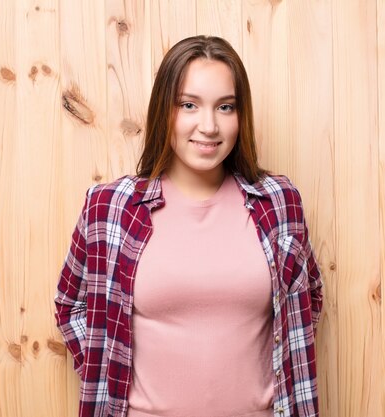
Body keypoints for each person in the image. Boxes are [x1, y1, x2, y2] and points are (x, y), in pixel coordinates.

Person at [54, 35, 323, 417]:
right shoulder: (110, 208)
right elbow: (71, 305)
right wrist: (108, 369)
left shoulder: (279, 203)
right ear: (165, 111)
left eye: (225, 106)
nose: (209, 125)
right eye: (189, 105)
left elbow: (307, 299)